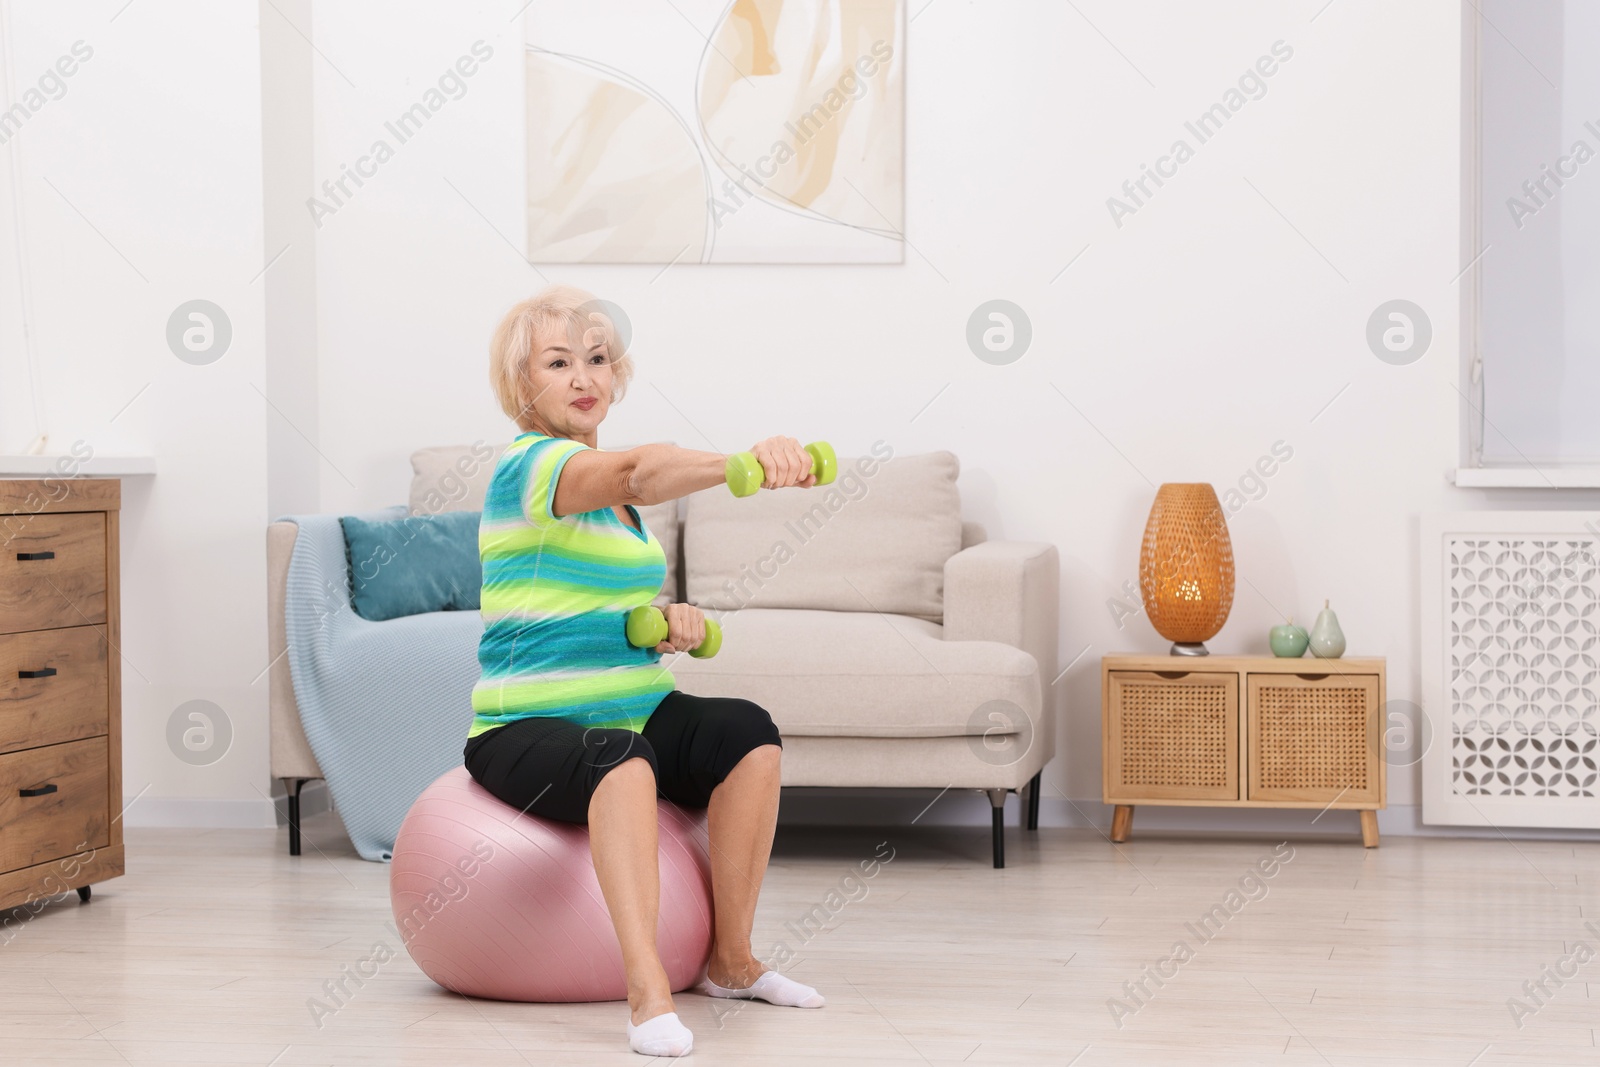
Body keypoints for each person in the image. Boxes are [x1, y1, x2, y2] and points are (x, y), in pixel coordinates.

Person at [465, 284, 826, 1058]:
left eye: (596, 358)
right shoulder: (534, 468)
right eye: (558, 362)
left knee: (747, 733)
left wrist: (670, 625)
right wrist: (742, 466)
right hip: (524, 725)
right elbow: (637, 470)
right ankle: (648, 994)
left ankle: (731, 961)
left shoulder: (616, 507)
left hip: (632, 700)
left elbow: (607, 608)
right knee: (620, 757)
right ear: (522, 384)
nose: (583, 376)